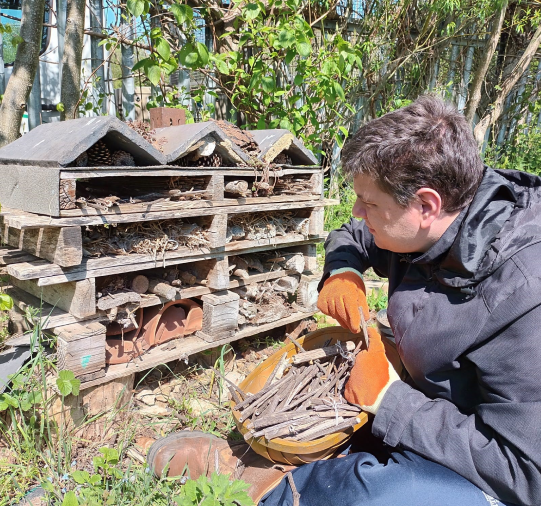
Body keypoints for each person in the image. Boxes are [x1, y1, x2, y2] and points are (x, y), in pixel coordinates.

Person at [147, 96, 541, 506]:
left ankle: (271, 488)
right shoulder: (439, 220)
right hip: (436, 401)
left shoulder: (526, 296)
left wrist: (390, 400)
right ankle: (278, 459)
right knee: (331, 363)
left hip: (503, 467)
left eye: (369, 204)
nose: (357, 210)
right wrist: (343, 272)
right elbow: (352, 235)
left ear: (426, 205)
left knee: (382, 495)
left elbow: (526, 472)